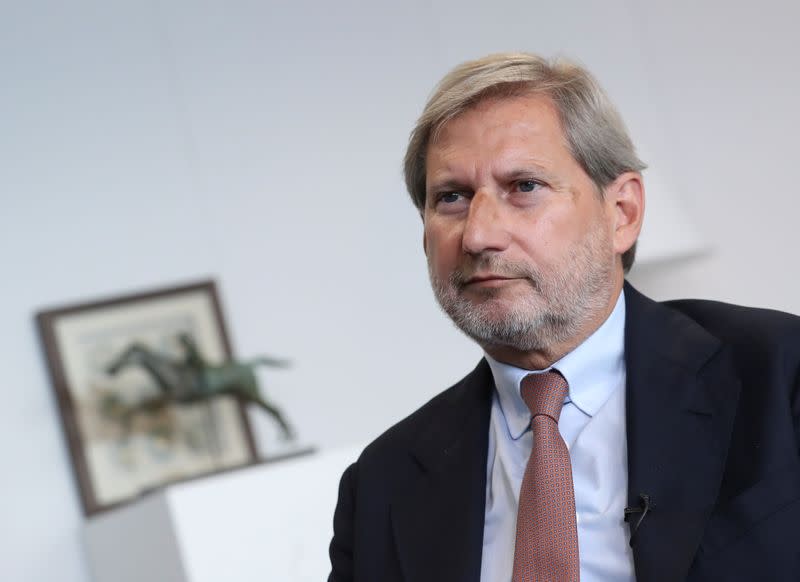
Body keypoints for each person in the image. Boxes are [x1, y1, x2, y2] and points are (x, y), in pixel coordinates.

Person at [327, 52, 800, 582]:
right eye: (452, 198)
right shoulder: (380, 487)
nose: (479, 234)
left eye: (524, 187)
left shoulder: (780, 374)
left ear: (621, 213)